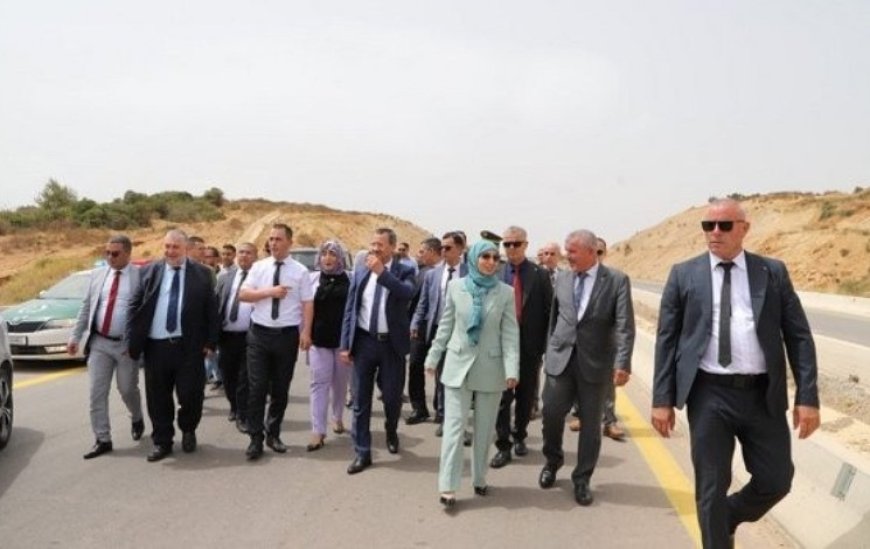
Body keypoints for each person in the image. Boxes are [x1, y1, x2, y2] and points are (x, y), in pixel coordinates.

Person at [651, 199, 821, 548]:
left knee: (777, 480)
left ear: (744, 229)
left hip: (763, 394)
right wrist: (661, 399)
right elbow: (667, 341)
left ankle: (726, 517)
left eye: (724, 226)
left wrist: (808, 396)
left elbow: (799, 336)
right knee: (711, 486)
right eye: (707, 226)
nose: (715, 233)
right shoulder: (683, 274)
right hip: (709, 394)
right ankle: (716, 531)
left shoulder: (772, 272)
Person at [539, 229, 635, 506]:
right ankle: (552, 461)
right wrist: (549, 350)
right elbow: (555, 317)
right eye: (567, 250)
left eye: (573, 251)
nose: (567, 256)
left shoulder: (616, 280)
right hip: (561, 359)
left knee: (591, 425)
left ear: (592, 252)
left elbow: (625, 326)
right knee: (552, 413)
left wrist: (622, 363)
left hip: (596, 364)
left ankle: (582, 479)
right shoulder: (564, 278)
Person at [424, 240, 519, 508]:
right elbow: (445, 326)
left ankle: (479, 478)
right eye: (485, 257)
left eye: (494, 257)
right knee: (454, 429)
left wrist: (512, 369)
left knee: (485, 429)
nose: (490, 261)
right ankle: (448, 487)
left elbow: (510, 335)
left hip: (491, 368)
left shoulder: (505, 293)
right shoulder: (456, 287)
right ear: (474, 258)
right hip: (457, 366)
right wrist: (433, 357)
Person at [127, 229, 220, 462]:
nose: (170, 252)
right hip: (156, 347)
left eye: (175, 247)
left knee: (191, 395)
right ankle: (163, 441)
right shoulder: (149, 271)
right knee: (158, 397)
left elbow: (212, 311)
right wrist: (132, 337)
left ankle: (188, 429)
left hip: (189, 347)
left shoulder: (203, 274)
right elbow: (134, 305)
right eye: (166, 247)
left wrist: (211, 342)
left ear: (186, 248)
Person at [340, 227, 415, 475]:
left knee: (392, 398)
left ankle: (391, 431)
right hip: (364, 343)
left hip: (392, 345)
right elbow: (351, 307)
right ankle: (362, 452)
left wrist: (382, 273)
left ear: (392, 247)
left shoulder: (405, 270)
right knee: (360, 400)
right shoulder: (361, 268)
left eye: (380, 245)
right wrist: (345, 344)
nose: (374, 249)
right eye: (372, 244)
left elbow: (407, 293)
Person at [238, 223, 314, 460]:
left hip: (286, 336)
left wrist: (306, 332)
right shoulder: (259, 268)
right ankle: (255, 438)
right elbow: (243, 294)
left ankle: (274, 434)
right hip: (259, 334)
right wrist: (268, 292)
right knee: (257, 387)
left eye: (278, 239)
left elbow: (307, 303)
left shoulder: (300, 271)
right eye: (270, 239)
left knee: (280, 389)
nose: (273, 243)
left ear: (289, 242)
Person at [68, 235, 145, 459]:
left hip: (125, 345)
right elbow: (86, 307)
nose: (110, 257)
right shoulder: (98, 275)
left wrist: (136, 343)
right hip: (99, 342)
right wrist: (75, 336)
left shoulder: (140, 277)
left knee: (127, 389)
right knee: (96, 393)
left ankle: (137, 415)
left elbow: (144, 315)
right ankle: (102, 438)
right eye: (107, 253)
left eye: (115, 253)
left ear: (128, 254)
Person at [491, 226, 552, 468]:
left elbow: (549, 313)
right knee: (502, 399)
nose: (511, 248)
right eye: (507, 244)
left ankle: (520, 436)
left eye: (516, 243)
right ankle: (503, 445)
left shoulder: (540, 275)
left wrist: (545, 347)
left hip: (529, 348)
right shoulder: (495, 273)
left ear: (526, 245)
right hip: (500, 349)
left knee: (525, 398)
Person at [306, 240, 352, 451]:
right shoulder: (312, 279)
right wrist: (304, 333)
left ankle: (337, 416)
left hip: (343, 343)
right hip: (319, 340)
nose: (328, 258)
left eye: (332, 254)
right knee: (319, 384)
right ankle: (318, 430)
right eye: (324, 253)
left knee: (340, 384)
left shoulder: (350, 279)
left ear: (340, 257)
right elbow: (305, 309)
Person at [215, 242, 257, 433]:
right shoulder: (225, 278)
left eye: (248, 253)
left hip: (250, 337)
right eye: (241, 252)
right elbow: (216, 305)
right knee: (227, 375)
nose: (243, 256)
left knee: (244, 378)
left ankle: (243, 414)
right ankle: (234, 405)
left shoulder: (260, 279)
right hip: (226, 336)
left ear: (255, 256)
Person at [405, 236, 443, 425]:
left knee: (441, 371)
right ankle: (419, 409)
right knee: (415, 367)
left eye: (422, 251)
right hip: (419, 329)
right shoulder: (421, 272)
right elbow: (417, 302)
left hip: (440, 328)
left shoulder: (445, 273)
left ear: (432, 251)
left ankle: (441, 410)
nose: (419, 255)